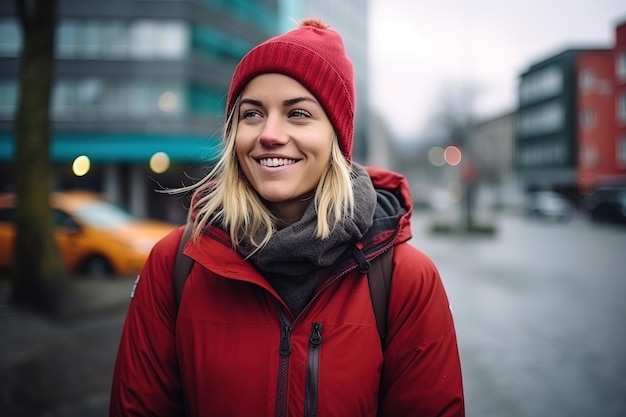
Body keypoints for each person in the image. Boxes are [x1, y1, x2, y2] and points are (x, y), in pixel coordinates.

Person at [109, 18, 464, 417]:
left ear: (337, 137)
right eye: (252, 114)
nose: (270, 134)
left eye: (297, 114)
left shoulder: (405, 279)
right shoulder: (175, 264)